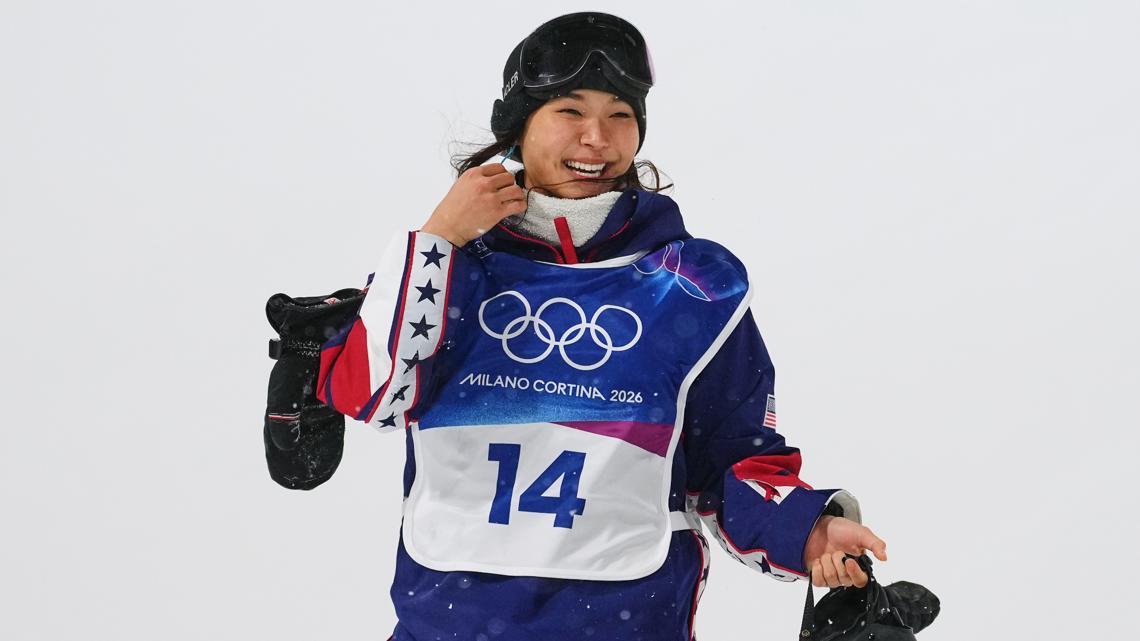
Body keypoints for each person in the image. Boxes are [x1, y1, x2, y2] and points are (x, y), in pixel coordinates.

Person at [307, 12, 888, 641]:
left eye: (620, 114)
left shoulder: (693, 285)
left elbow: (730, 465)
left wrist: (808, 529)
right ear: (518, 125)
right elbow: (368, 393)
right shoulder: (444, 267)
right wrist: (439, 238)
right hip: (447, 624)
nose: (597, 138)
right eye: (569, 110)